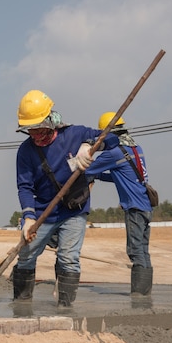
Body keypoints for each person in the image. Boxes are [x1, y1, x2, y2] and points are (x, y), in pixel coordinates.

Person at [14, 90, 119, 307]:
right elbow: (24, 187)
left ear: (50, 120)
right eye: (30, 131)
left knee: (69, 259)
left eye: (40, 130)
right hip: (43, 212)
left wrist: (90, 144)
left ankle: (65, 309)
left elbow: (113, 138)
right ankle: (21, 306)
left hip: (74, 210)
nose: (35, 136)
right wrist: (29, 218)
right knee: (25, 256)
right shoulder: (25, 152)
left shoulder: (75, 134)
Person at [85, 112, 153, 296]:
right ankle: (145, 293)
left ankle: (138, 295)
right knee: (143, 251)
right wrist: (99, 175)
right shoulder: (136, 149)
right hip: (146, 205)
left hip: (134, 207)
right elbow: (122, 176)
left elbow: (85, 169)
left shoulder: (113, 153)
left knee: (135, 250)